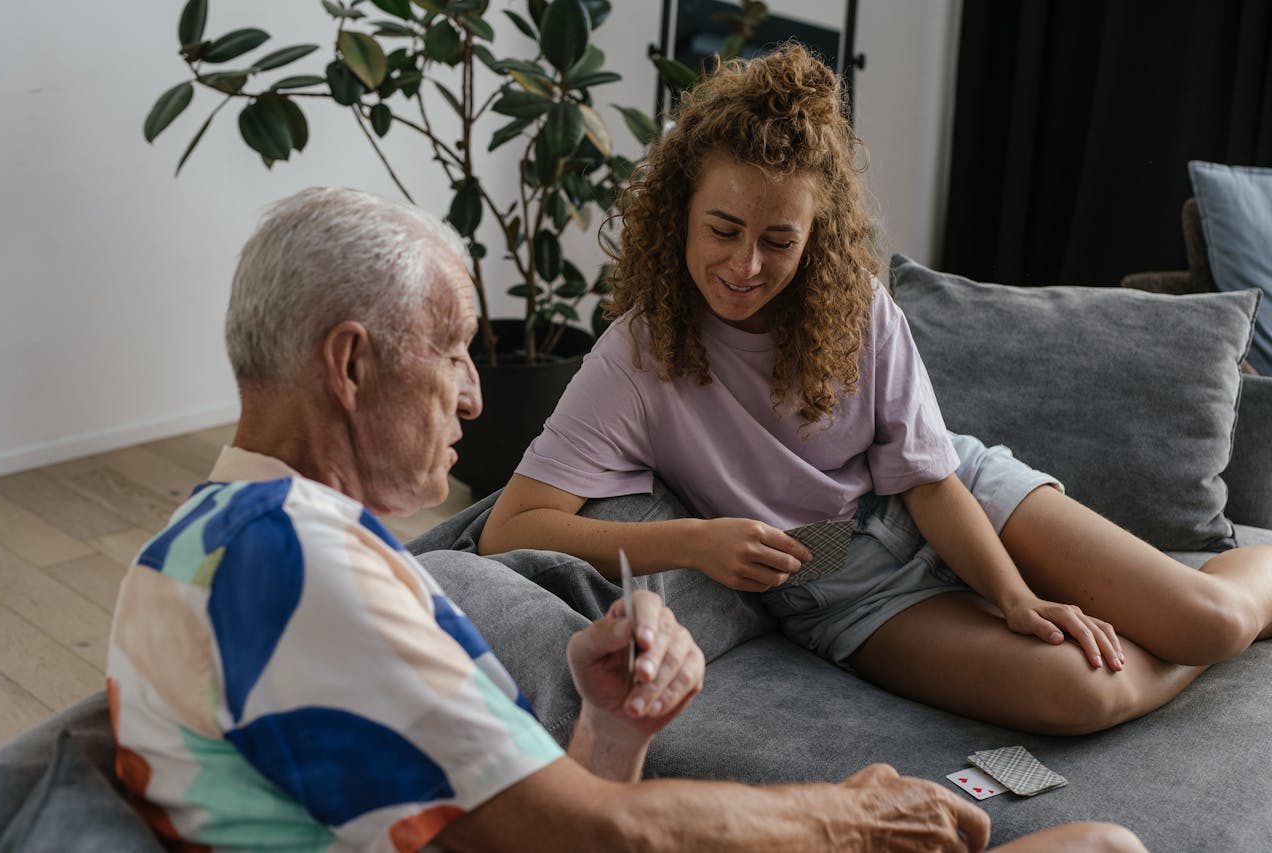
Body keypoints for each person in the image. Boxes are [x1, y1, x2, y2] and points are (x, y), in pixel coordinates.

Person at [105, 186, 1142, 852]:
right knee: (1095, 850)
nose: (473, 395)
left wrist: (608, 728)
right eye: (453, 348)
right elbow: (599, 836)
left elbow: (527, 829)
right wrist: (846, 814)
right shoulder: (287, 562)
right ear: (348, 362)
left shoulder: (226, 542)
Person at [478, 44, 1272, 739]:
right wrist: (698, 541)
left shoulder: (852, 304)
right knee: (1088, 691)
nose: (746, 265)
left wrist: (1017, 596)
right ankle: (1186, 634)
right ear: (680, 210)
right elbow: (509, 528)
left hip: (960, 494)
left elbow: (926, 478)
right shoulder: (637, 358)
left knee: (1212, 619)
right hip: (837, 582)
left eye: (779, 240)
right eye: (724, 229)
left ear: (814, 235)